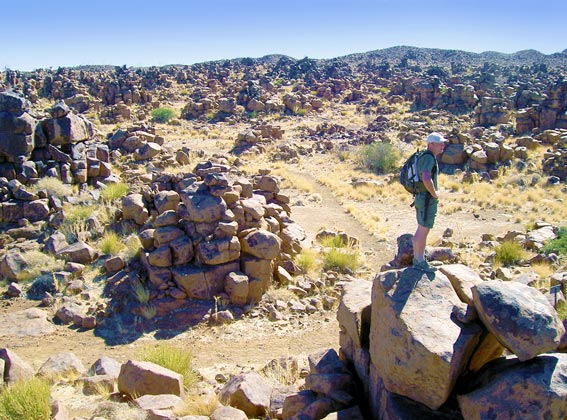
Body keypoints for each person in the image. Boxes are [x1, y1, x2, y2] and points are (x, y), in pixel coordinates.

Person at [412, 132, 448, 272]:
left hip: (421, 197)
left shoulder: (423, 156)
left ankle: (418, 258)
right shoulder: (429, 158)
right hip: (427, 198)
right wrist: (435, 194)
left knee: (421, 228)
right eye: (439, 143)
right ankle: (420, 261)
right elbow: (427, 178)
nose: (442, 145)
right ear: (431, 144)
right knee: (423, 230)